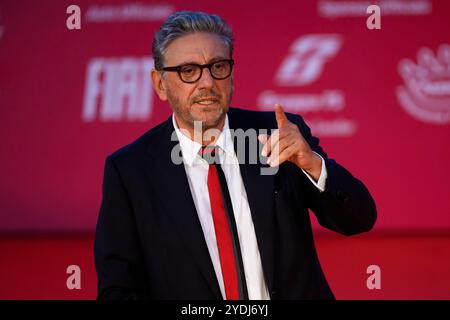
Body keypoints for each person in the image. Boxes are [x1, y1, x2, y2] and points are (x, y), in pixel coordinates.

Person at [94, 11, 377, 300]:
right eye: (188, 71)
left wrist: (312, 164)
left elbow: (359, 219)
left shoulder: (279, 134)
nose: (206, 82)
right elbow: (118, 290)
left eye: (218, 66)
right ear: (160, 84)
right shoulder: (130, 171)